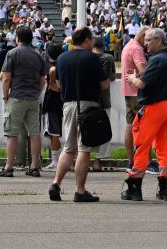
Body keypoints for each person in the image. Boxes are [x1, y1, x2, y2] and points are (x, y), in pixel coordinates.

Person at [48, 26, 108, 203]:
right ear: (87, 40)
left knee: (68, 148)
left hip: (68, 105)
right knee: (84, 148)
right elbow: (104, 84)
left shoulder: (62, 58)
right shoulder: (93, 58)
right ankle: (80, 191)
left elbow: (58, 84)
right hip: (88, 105)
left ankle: (55, 184)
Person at [121, 28, 167, 202]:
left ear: (159, 41)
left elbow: (142, 84)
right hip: (166, 105)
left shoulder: (156, 60)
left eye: (149, 40)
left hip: (153, 107)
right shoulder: (166, 59)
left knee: (142, 145)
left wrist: (131, 79)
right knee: (163, 147)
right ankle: (166, 188)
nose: (145, 43)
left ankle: (134, 186)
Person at [0, 25, 47, 177]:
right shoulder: (38, 55)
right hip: (33, 98)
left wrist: (5, 96)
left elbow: (6, 78)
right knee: (34, 133)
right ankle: (34, 166)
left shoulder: (12, 53)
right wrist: (36, 93)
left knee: (12, 133)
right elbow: (42, 80)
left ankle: (9, 167)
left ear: (17, 38)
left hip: (17, 96)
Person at [120, 27, 147, 170]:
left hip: (128, 90)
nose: (147, 43)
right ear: (142, 37)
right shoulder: (137, 49)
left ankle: (131, 160)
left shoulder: (128, 45)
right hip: (137, 92)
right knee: (140, 126)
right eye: (147, 39)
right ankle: (141, 160)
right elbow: (143, 70)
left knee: (130, 125)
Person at [92, 36, 116, 172]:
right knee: (104, 131)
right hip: (105, 99)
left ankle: (83, 157)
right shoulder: (108, 58)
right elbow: (112, 77)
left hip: (89, 99)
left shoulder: (88, 57)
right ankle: (98, 160)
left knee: (87, 130)